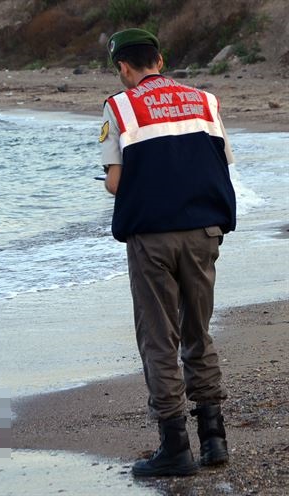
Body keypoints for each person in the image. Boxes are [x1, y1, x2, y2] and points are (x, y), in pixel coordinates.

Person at [99, 28, 237, 477]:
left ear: (123, 67)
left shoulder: (119, 106)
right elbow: (222, 161)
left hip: (153, 238)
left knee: (159, 339)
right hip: (204, 232)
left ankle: (175, 447)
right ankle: (214, 441)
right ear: (160, 58)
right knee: (199, 331)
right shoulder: (206, 101)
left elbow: (117, 184)